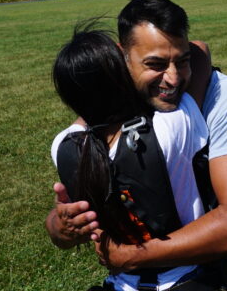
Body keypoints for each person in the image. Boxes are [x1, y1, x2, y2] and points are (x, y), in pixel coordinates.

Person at [46, 0, 227, 290]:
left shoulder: (221, 96)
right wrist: (60, 226)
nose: (174, 78)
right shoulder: (110, 114)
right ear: (122, 56)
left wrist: (130, 256)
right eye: (155, 63)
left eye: (182, 60)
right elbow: (75, 208)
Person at [50, 25, 214, 291]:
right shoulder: (169, 127)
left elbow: (85, 117)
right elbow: (200, 52)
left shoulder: (64, 147)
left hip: (121, 283)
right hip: (187, 277)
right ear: (122, 77)